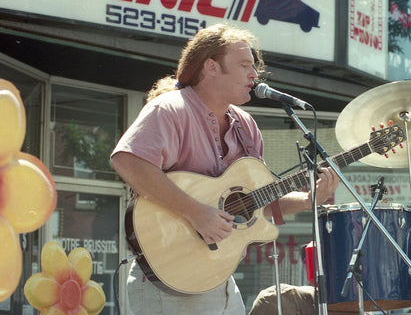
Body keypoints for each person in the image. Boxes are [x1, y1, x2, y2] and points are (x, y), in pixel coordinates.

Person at [110, 23, 339, 315]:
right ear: (211, 67)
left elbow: (257, 202)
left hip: (218, 276)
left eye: (254, 67)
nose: (254, 75)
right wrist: (196, 212)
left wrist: (310, 199)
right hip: (166, 278)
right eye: (244, 65)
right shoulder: (169, 109)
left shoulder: (246, 126)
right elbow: (128, 161)